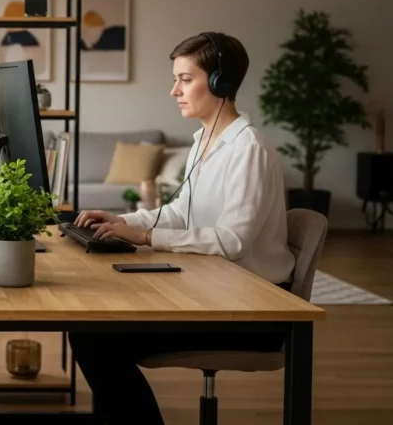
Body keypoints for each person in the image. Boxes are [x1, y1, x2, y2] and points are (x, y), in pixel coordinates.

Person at [70, 32, 297, 425]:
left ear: (219, 83)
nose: (174, 90)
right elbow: (177, 211)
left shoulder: (249, 150)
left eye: (185, 79)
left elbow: (232, 240)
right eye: (175, 78)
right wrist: (124, 221)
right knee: (93, 328)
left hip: (251, 313)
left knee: (95, 337)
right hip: (214, 295)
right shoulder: (205, 142)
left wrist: (144, 237)